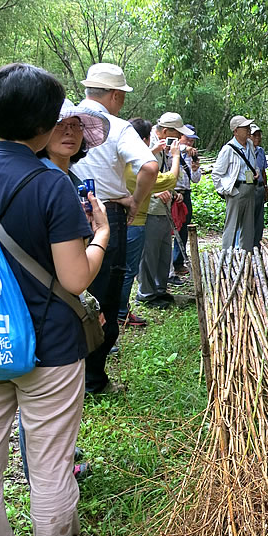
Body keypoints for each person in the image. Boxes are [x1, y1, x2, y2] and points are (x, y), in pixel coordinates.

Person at [0, 63, 109, 536]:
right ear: (42, 123)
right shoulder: (52, 186)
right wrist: (100, 234)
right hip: (49, 351)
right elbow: (75, 278)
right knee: (51, 465)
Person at [18, 98, 110, 483]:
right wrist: (100, 233)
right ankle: (45, 469)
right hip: (38, 302)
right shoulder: (37, 178)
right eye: (60, 125)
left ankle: (60, 455)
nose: (69, 132)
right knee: (38, 394)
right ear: (41, 131)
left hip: (62, 295)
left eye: (76, 126)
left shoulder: (70, 179)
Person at [75, 63, 158, 393]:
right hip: (105, 214)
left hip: (61, 209)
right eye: (121, 96)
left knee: (64, 290)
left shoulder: (62, 120)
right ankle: (93, 378)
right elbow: (149, 167)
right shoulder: (118, 127)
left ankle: (65, 376)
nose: (121, 102)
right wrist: (135, 200)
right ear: (113, 95)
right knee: (103, 295)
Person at [118, 118, 181, 323]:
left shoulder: (122, 159)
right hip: (136, 221)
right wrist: (177, 156)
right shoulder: (138, 166)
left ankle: (128, 306)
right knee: (131, 269)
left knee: (150, 257)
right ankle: (124, 310)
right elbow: (168, 178)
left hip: (132, 218)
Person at [136, 113, 190, 309]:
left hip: (163, 210)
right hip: (150, 209)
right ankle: (146, 293)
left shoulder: (162, 150)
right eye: (176, 134)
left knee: (163, 251)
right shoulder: (146, 147)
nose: (178, 139)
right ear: (165, 132)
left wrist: (173, 192)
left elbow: (164, 176)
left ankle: (160, 289)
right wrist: (157, 192)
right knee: (149, 253)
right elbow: (138, 176)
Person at [212, 115, 258, 251]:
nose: (248, 130)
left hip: (250, 187)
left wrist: (255, 172)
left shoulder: (250, 144)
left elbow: (252, 164)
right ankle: (227, 255)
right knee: (232, 225)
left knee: (248, 225)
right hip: (236, 190)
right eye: (245, 128)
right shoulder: (228, 149)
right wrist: (226, 190)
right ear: (235, 131)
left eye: (248, 127)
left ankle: (247, 255)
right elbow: (216, 174)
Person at [170, 123, 201, 279]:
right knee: (169, 230)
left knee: (183, 228)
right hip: (171, 194)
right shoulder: (171, 151)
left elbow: (195, 180)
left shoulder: (192, 156)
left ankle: (178, 262)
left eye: (192, 141)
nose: (189, 143)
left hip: (185, 194)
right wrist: (183, 149)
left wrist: (195, 169)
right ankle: (169, 265)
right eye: (187, 139)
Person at [250, 124, 268, 247]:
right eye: (254, 135)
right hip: (249, 187)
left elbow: (263, 171)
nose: (257, 138)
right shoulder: (244, 151)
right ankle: (246, 245)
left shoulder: (261, 152)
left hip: (260, 187)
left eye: (259, 135)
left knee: (259, 218)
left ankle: (257, 244)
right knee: (248, 218)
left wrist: (266, 188)